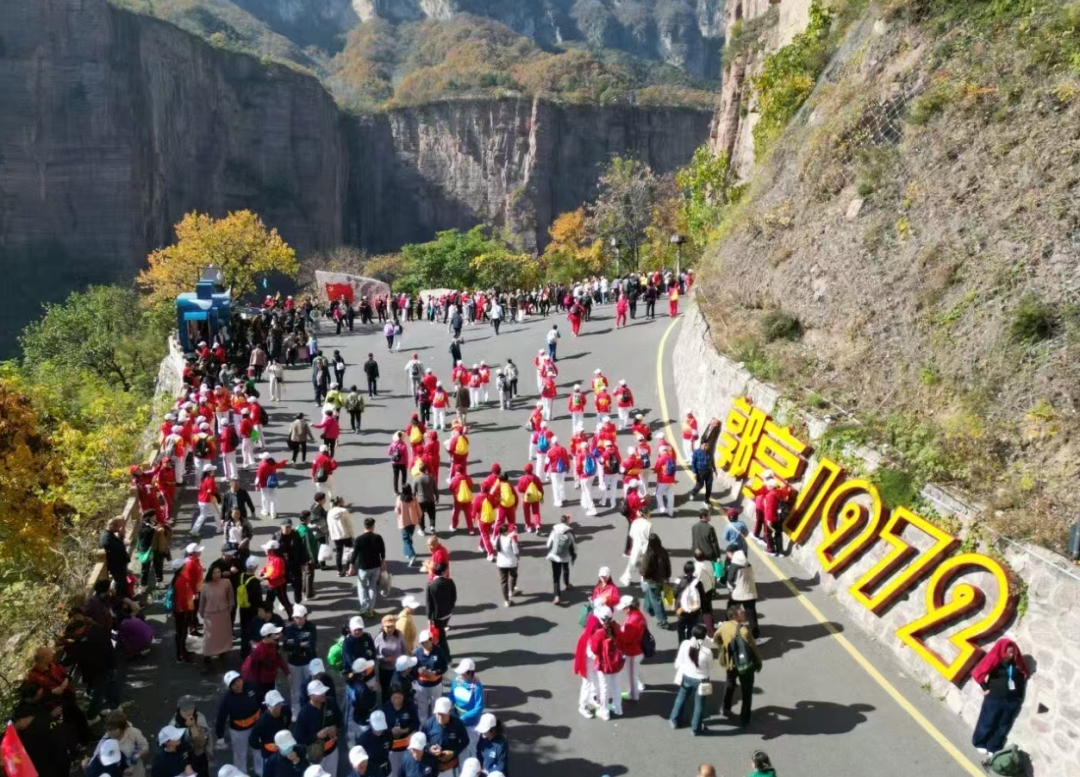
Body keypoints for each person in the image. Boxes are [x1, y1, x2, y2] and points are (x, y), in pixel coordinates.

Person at [971, 638, 1029, 755]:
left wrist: (1018, 698)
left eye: (1013, 652)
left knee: (1003, 726)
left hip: (1012, 700)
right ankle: (980, 742)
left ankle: (993, 746)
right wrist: (985, 688)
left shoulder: (1017, 663)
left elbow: (1024, 675)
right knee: (987, 721)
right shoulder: (994, 659)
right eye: (1008, 652)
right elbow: (978, 672)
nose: (1011, 655)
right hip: (995, 697)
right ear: (1002, 651)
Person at [717, 605, 762, 728]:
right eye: (741, 613)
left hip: (731, 664)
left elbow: (716, 638)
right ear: (734, 616)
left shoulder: (724, 627)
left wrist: (724, 650)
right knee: (746, 691)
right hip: (745, 665)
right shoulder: (744, 631)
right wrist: (758, 663)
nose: (744, 613)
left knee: (730, 684)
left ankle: (725, 707)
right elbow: (754, 649)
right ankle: (744, 718)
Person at [669, 624, 713, 735]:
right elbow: (710, 667)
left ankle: (674, 720)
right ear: (704, 636)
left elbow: (680, 659)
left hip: (686, 676)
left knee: (681, 698)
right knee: (699, 704)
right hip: (701, 680)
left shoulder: (685, 644)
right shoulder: (707, 651)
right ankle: (695, 728)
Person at [215, 672, 262, 774]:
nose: (237, 684)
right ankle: (241, 773)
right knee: (240, 754)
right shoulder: (227, 699)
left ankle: (260, 771)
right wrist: (220, 735)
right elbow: (221, 717)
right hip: (239, 730)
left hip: (256, 725)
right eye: (233, 684)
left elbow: (261, 698)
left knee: (258, 749)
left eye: (238, 680)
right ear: (230, 687)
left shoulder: (251, 686)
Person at [294, 679, 342, 777]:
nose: (323, 694)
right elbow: (298, 739)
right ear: (310, 696)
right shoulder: (304, 713)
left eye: (323, 691)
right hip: (316, 756)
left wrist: (335, 728)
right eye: (319, 693)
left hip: (332, 750)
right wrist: (316, 736)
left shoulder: (331, 702)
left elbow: (340, 719)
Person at [589, 609, 624, 720]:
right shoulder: (617, 628)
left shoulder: (599, 633)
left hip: (603, 664)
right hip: (616, 662)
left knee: (604, 688)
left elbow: (594, 650)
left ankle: (605, 712)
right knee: (616, 685)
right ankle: (618, 708)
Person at [348, 518, 387, 616]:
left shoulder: (359, 539)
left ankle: (364, 608)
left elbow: (354, 554)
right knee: (372, 587)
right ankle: (370, 609)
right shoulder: (378, 537)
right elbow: (382, 551)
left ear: (364, 526)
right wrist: (383, 562)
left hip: (363, 568)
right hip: (376, 566)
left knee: (362, 587)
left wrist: (351, 566)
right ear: (373, 526)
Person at [283, 604, 318, 711]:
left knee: (310, 686)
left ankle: (309, 708)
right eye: (295, 617)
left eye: (299, 617)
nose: (296, 619)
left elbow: (311, 645)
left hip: (308, 662)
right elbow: (286, 646)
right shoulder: (289, 629)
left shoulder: (311, 627)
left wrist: (295, 644)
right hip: (294, 662)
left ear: (305, 616)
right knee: (295, 688)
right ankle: (296, 709)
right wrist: (301, 644)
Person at [200, 566, 235, 670]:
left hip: (223, 614)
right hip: (210, 616)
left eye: (219, 572)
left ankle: (222, 653)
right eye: (214, 573)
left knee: (222, 635)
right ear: (210, 574)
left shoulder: (226, 582)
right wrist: (202, 613)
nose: (217, 575)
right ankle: (207, 658)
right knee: (209, 638)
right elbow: (202, 602)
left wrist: (230, 607)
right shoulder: (205, 586)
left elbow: (231, 597)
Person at [420, 696, 469, 774]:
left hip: (451, 766)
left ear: (449, 711)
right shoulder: (429, 723)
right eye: (438, 714)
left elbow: (465, 741)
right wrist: (429, 749)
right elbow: (421, 740)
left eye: (443, 714)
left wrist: (453, 753)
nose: (439, 717)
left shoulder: (458, 723)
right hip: (432, 767)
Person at [448, 659, 484, 759]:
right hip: (457, 718)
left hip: (471, 723)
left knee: (472, 747)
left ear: (470, 673)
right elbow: (452, 696)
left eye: (462, 673)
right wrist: (448, 705)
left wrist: (464, 717)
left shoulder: (477, 687)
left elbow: (479, 707)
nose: (460, 675)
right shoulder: (456, 680)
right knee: (459, 745)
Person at [249, 691, 291, 776]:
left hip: (285, 750)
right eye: (275, 705)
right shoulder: (262, 723)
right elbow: (252, 740)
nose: (279, 707)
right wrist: (263, 746)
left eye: (279, 703)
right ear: (268, 706)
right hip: (269, 755)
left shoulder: (286, 710)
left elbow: (288, 722)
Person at [381, 685, 419, 775]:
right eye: (395, 697)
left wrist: (405, 730)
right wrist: (391, 731)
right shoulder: (386, 708)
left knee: (408, 769)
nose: (397, 700)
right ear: (390, 697)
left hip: (407, 745)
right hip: (392, 747)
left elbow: (416, 723)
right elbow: (382, 726)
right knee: (394, 771)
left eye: (400, 697)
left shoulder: (410, 706)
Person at [412, 630, 448, 722]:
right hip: (422, 686)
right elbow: (412, 668)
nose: (424, 644)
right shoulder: (417, 653)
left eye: (426, 642)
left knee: (435, 708)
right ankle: (422, 727)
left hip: (435, 685)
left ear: (431, 640)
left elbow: (444, 667)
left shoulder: (439, 651)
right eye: (422, 643)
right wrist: (418, 670)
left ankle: (434, 725)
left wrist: (435, 673)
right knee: (422, 708)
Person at [99, 711, 149, 777]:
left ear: (122, 727)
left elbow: (145, 746)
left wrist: (137, 755)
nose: (110, 732)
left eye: (114, 729)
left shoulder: (133, 733)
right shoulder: (105, 742)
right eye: (109, 729)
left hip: (137, 771)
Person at [616, 596, 647, 702]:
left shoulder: (633, 620)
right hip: (637, 649)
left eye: (624, 608)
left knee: (631, 676)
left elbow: (627, 638)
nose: (623, 610)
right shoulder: (637, 615)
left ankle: (633, 695)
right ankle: (636, 690)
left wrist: (618, 631)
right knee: (634, 672)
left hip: (633, 651)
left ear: (628, 608)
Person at [172, 696, 211, 777]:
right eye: (185, 710)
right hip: (183, 757)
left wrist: (193, 727)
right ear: (179, 710)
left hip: (199, 755)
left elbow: (201, 743)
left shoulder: (199, 718)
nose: (189, 712)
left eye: (191, 709)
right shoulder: (175, 722)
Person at [726, 550, 760, 638]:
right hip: (750, 593)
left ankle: (727, 628)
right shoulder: (748, 564)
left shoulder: (734, 566)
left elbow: (730, 580)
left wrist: (731, 587)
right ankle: (756, 636)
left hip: (738, 593)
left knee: (731, 610)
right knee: (751, 615)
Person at [426, 564, 457, 659]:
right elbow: (454, 597)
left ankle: (447, 658)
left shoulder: (431, 585)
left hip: (437, 616)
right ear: (443, 572)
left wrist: (429, 619)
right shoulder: (450, 582)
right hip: (448, 613)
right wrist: (450, 608)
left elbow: (429, 603)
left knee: (441, 638)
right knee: (441, 633)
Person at [545, 513, 577, 604]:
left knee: (556, 576)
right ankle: (567, 584)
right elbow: (573, 545)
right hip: (565, 556)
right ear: (567, 521)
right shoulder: (569, 532)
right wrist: (573, 555)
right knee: (566, 569)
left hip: (554, 556)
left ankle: (557, 596)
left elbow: (548, 544)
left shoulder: (554, 531)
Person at [675, 561, 706, 643]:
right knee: (692, 627)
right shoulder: (698, 582)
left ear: (684, 569)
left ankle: (682, 644)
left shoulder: (679, 579)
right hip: (694, 609)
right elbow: (702, 596)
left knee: (681, 628)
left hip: (681, 608)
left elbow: (675, 592)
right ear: (693, 570)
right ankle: (690, 643)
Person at [494, 523, 521, 608]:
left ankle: (506, 600)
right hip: (511, 563)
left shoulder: (497, 539)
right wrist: (518, 558)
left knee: (503, 582)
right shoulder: (510, 540)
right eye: (508, 530)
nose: (509, 531)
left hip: (501, 564)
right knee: (513, 576)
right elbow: (516, 552)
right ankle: (512, 590)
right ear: (505, 532)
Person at [396, 483, 422, 568]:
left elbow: (397, 510)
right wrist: (419, 516)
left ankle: (411, 555)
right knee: (408, 537)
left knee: (406, 539)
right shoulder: (413, 498)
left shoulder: (399, 499)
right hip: (413, 522)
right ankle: (407, 551)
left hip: (404, 522)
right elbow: (418, 509)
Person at [415, 463, 439, 536]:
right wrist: (437, 497)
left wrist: (414, 501)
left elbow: (414, 491)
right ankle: (432, 527)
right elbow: (435, 489)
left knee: (421, 515)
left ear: (419, 470)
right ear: (426, 469)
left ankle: (422, 530)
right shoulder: (431, 477)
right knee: (432, 514)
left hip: (421, 500)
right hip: (430, 499)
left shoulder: (417, 479)